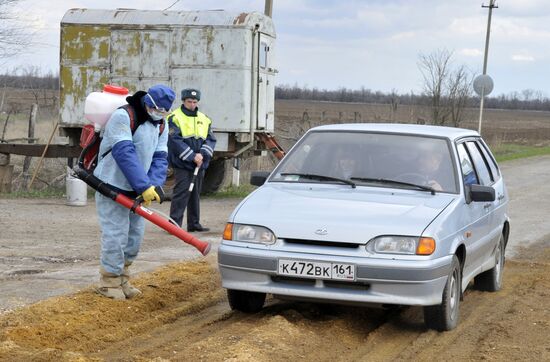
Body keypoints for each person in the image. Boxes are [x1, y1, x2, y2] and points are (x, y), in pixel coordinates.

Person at [93, 84, 176, 300]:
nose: (160, 115)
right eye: (158, 110)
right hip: (112, 184)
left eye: (164, 112)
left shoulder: (161, 124)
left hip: (139, 189)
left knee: (134, 238)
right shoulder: (123, 116)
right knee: (116, 236)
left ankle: (123, 279)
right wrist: (144, 185)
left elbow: (160, 156)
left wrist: (155, 184)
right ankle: (108, 282)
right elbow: (124, 152)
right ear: (148, 103)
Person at [167, 88, 216, 232]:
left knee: (195, 193)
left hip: (199, 163)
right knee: (181, 192)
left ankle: (194, 224)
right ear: (183, 101)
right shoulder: (174, 117)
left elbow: (211, 139)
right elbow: (174, 140)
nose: (192, 104)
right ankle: (173, 224)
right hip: (182, 162)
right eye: (189, 101)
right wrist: (192, 156)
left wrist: (202, 155)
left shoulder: (204, 118)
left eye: (195, 102)